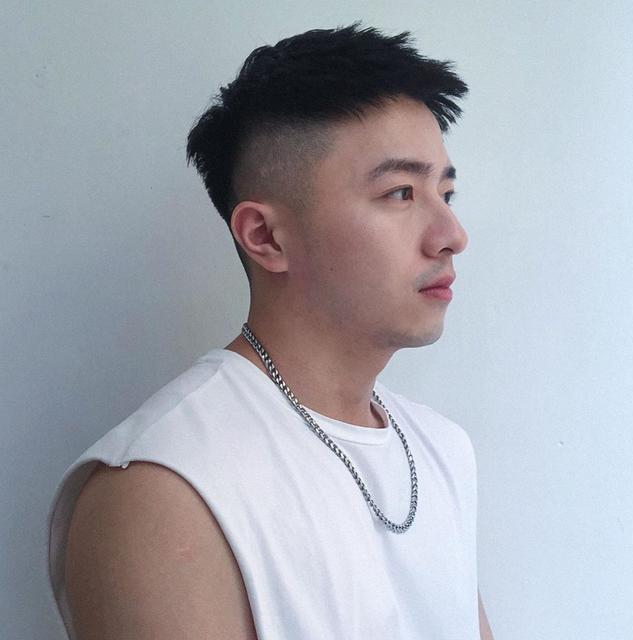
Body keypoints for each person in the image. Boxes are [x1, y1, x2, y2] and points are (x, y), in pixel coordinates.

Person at [48, 23, 494, 639]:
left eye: (446, 191)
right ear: (265, 237)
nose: (452, 235)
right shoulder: (166, 487)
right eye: (400, 193)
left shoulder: (442, 449)